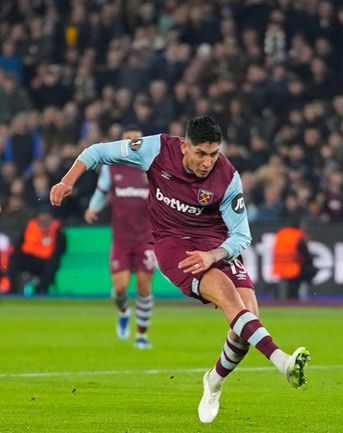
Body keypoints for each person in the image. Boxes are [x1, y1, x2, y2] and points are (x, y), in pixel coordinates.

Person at [50, 116, 310, 424]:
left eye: (214, 154)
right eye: (201, 153)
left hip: (215, 245)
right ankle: (283, 362)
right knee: (229, 298)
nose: (207, 162)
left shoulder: (227, 177)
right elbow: (96, 152)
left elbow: (242, 236)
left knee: (246, 322)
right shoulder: (156, 149)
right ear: (184, 146)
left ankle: (213, 381)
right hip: (173, 245)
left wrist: (214, 253)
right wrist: (68, 181)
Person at [84, 126, 156, 349]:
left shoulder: (151, 169)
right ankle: (124, 311)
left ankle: (142, 335)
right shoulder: (112, 168)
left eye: (136, 139)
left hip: (146, 239)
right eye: (128, 139)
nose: (133, 143)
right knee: (121, 287)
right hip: (122, 239)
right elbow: (101, 191)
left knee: (144, 287)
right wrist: (92, 208)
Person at [7, 204, 66, 295]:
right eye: (41, 215)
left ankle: (41, 291)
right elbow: (19, 245)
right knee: (14, 259)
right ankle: (12, 290)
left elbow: (60, 249)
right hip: (30, 258)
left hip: (46, 261)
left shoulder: (57, 231)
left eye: (46, 215)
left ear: (51, 217)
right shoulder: (30, 226)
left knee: (52, 263)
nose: (44, 218)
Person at [272, 218, 317, 301]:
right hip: (293, 269)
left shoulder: (281, 233)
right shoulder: (298, 235)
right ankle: (302, 295)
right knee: (311, 270)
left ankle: (282, 296)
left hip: (279, 268)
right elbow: (305, 253)